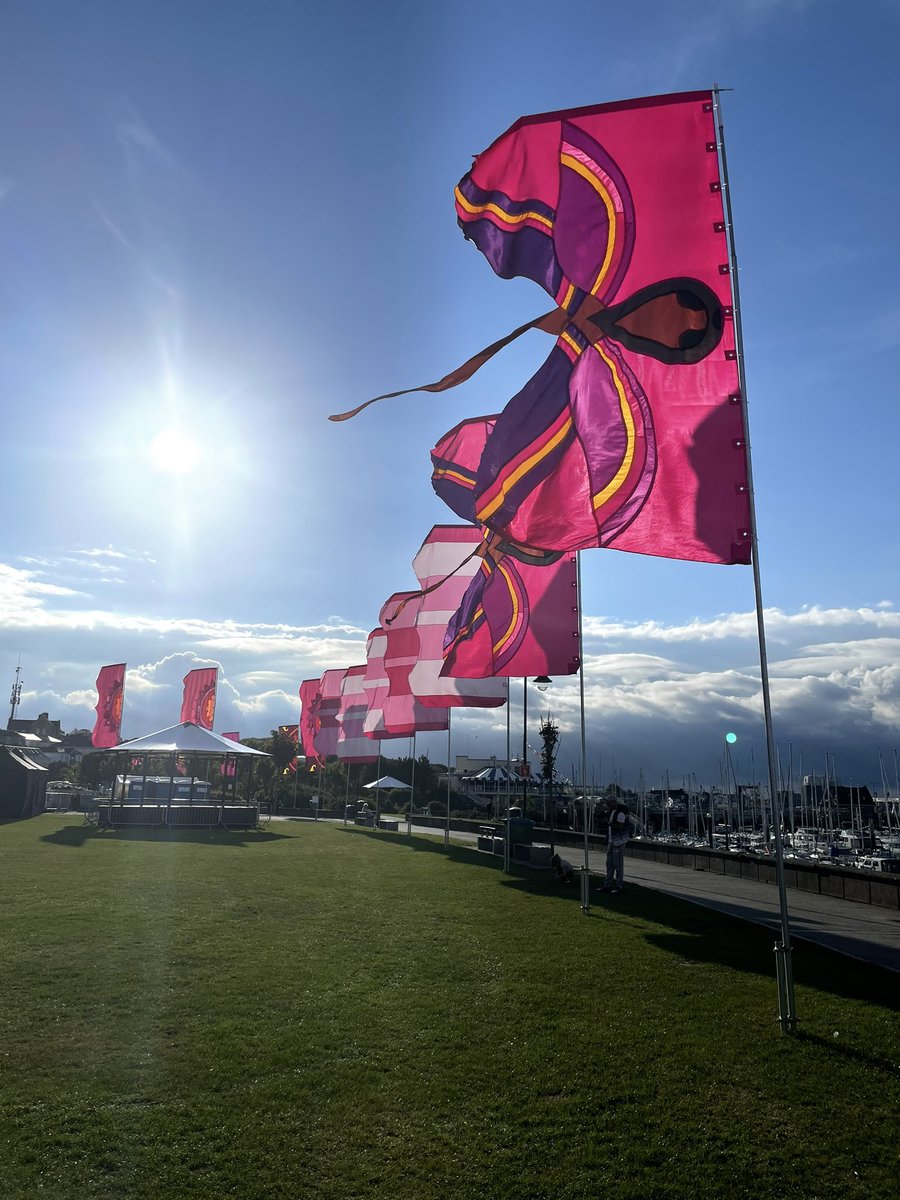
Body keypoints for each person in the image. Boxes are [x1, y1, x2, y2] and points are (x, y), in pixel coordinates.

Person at [602, 797, 631, 893]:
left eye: (609, 803)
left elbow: (620, 827)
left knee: (618, 864)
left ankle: (619, 886)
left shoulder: (621, 812)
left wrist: (610, 823)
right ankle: (607, 885)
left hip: (618, 842)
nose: (608, 805)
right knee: (609, 863)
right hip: (612, 841)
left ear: (614, 803)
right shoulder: (611, 811)